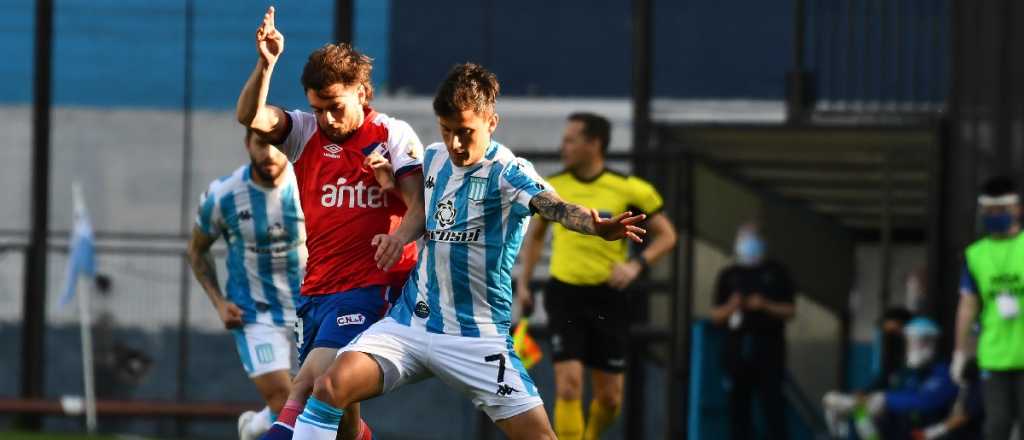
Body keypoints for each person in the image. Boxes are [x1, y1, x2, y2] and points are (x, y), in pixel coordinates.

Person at [289, 63, 647, 440]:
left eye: (465, 133)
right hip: (410, 324)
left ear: (492, 122)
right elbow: (422, 212)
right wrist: (400, 238)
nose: (456, 144)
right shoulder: (433, 158)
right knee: (328, 388)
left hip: (476, 338)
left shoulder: (508, 171)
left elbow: (552, 205)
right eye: (447, 132)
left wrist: (593, 226)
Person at [236, 7, 425, 440]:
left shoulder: (392, 135)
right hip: (318, 288)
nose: (328, 120)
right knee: (339, 411)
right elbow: (251, 116)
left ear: (362, 92)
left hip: (372, 287)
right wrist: (266, 64)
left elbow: (420, 207)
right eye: (318, 109)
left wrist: (396, 232)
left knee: (305, 387)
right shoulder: (304, 134)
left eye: (335, 108)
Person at [514, 112, 678, 440]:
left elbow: (667, 236)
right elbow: (534, 237)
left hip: (609, 298)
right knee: (569, 385)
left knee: (609, 397)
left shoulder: (630, 189)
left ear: (594, 143)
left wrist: (635, 266)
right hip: (565, 295)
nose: (564, 146)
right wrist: (524, 283)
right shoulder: (554, 188)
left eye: (571, 139)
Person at [187, 130, 304, 440]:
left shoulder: (310, 183)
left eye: (277, 145)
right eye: (261, 143)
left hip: (309, 309)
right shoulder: (224, 194)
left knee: (312, 402)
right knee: (285, 399)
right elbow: (197, 250)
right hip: (254, 314)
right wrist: (219, 302)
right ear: (247, 144)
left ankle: (254, 427)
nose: (269, 153)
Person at [709, 222, 796, 440]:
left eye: (754, 237)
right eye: (745, 238)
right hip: (737, 352)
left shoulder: (777, 272)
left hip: (769, 351)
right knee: (738, 410)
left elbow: (790, 310)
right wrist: (732, 306)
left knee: (773, 408)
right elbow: (715, 315)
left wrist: (764, 305)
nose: (750, 243)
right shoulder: (729, 275)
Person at [953, 175, 1024, 440]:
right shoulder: (975, 255)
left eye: (1000, 210)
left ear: (1017, 209)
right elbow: (967, 307)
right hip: (994, 357)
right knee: (997, 426)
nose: (994, 216)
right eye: (989, 211)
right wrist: (960, 352)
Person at [823, 317, 959, 439]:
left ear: (933, 343)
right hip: (900, 432)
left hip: (929, 433)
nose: (914, 347)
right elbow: (894, 394)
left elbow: (927, 401)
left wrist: (885, 399)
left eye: (920, 342)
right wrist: (860, 402)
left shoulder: (946, 372)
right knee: (859, 413)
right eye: (910, 342)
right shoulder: (908, 373)